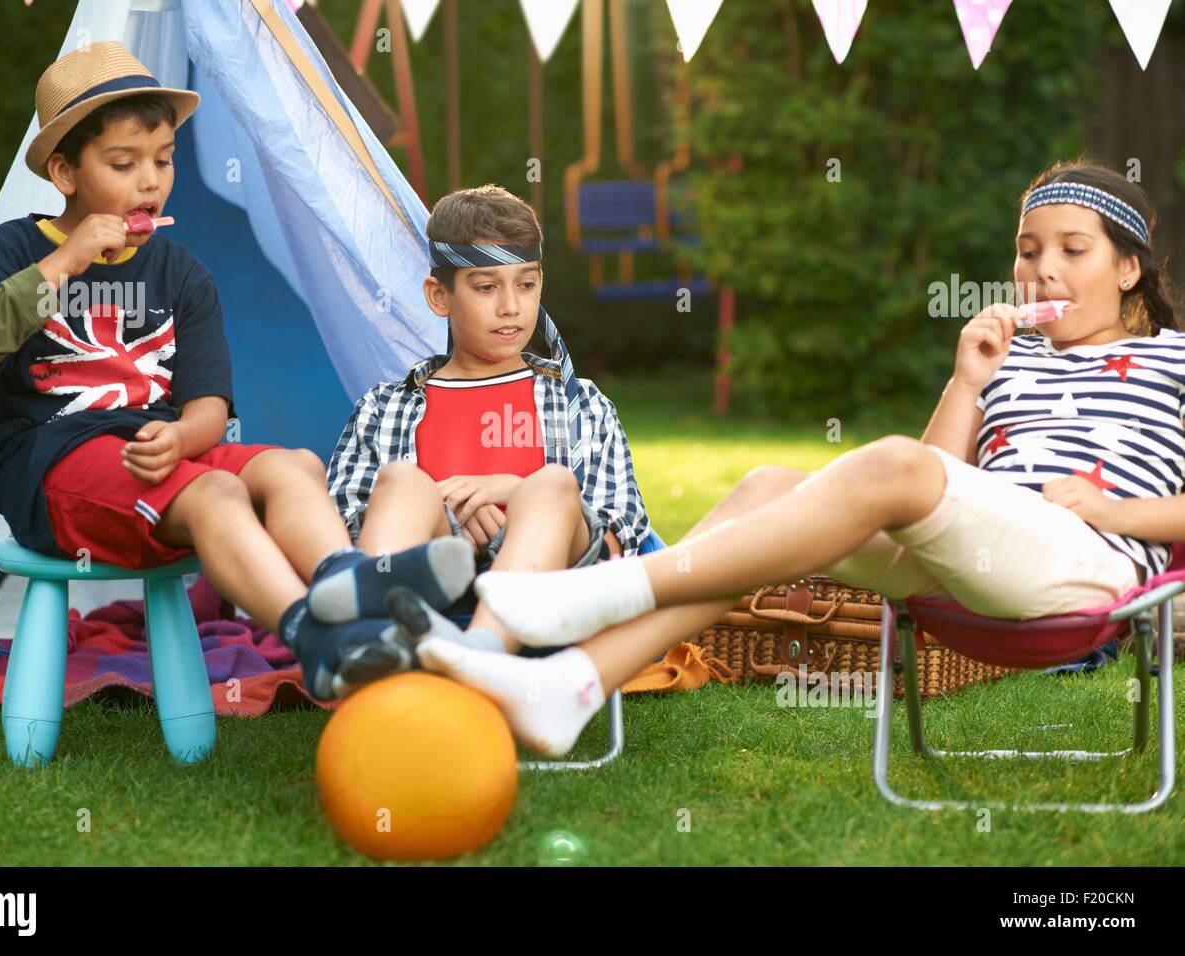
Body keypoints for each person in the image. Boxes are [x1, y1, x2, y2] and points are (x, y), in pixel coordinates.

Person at [411, 160, 1183, 756]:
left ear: (1127, 269)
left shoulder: (1173, 359)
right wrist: (967, 380)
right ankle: (572, 686)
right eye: (1026, 251)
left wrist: (1114, 511)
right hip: (987, 562)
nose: (1040, 269)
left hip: (1092, 566)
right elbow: (942, 492)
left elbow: (916, 481)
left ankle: (607, 590)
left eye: (1071, 250)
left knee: (887, 464)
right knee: (766, 486)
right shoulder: (1010, 359)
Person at [0, 41, 474, 701]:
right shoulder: (16, 251)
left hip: (165, 461)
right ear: (65, 172)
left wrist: (185, 439)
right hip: (54, 469)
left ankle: (345, 582)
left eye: (163, 160)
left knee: (294, 466)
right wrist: (64, 262)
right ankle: (320, 639)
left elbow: (209, 407)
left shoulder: (181, 273)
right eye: (123, 163)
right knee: (217, 496)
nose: (150, 181)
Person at [322, 184, 652, 661]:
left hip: (554, 593)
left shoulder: (579, 402)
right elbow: (342, 529)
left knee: (554, 484)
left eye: (526, 284)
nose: (511, 307)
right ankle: (372, 647)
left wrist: (513, 491)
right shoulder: (385, 408)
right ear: (440, 296)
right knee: (400, 481)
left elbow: (621, 536)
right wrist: (447, 504)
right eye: (486, 287)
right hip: (426, 584)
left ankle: (483, 652)